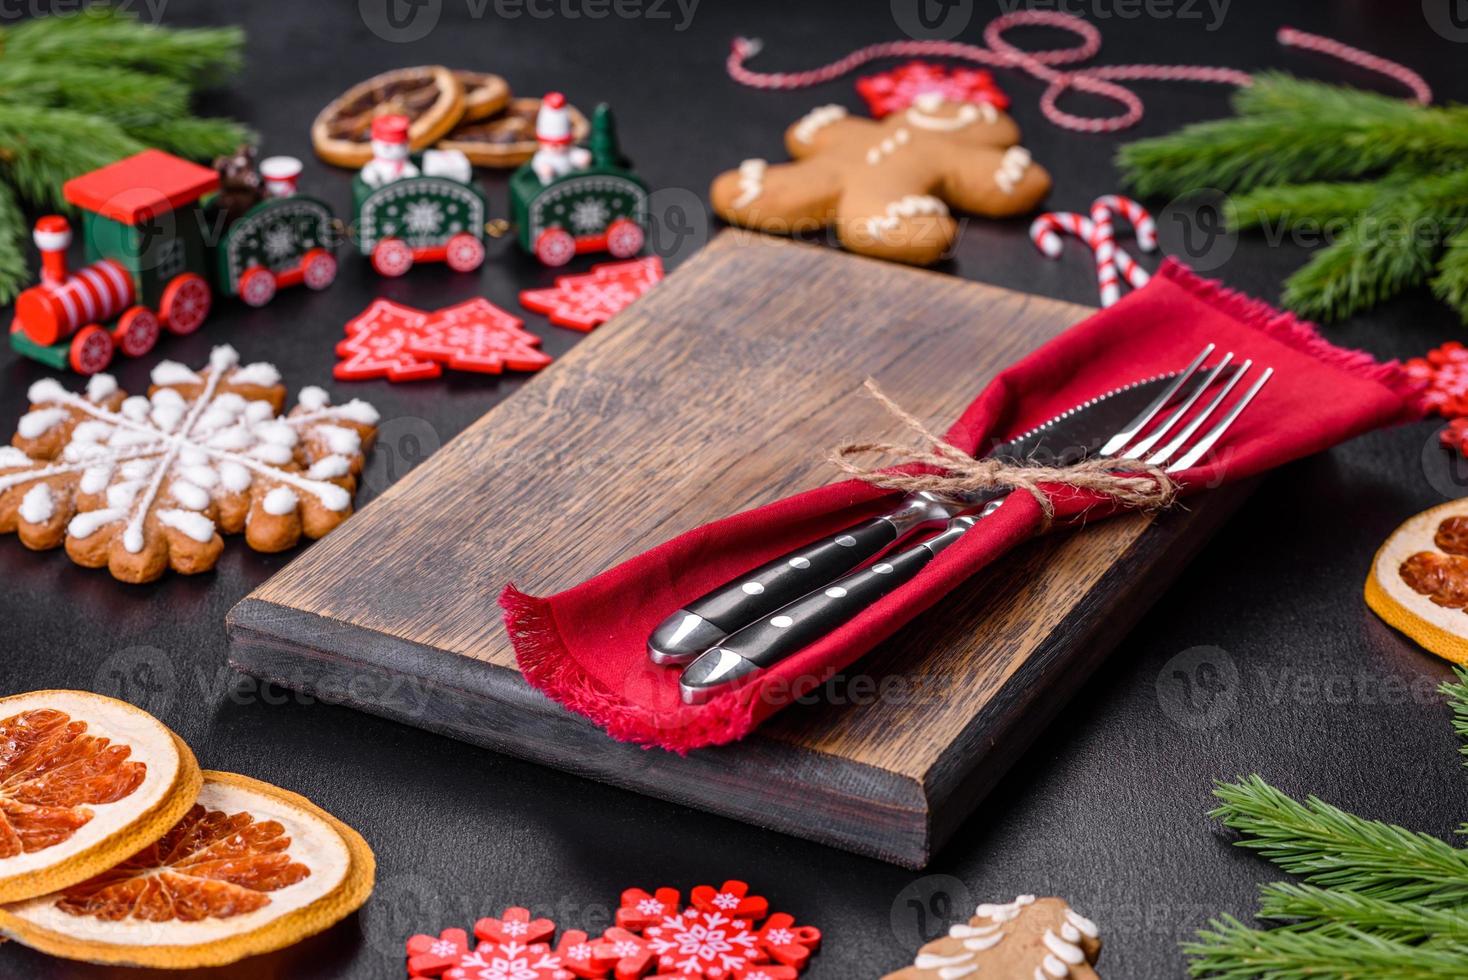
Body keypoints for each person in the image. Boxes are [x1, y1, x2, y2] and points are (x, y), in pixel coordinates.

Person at [531, 92, 590, 184]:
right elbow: (538, 164)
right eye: (550, 143)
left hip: (570, 182)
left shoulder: (569, 152)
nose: (555, 147)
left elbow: (575, 155)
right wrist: (544, 169)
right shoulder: (543, 156)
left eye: (560, 143)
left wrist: (582, 158)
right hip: (551, 186)